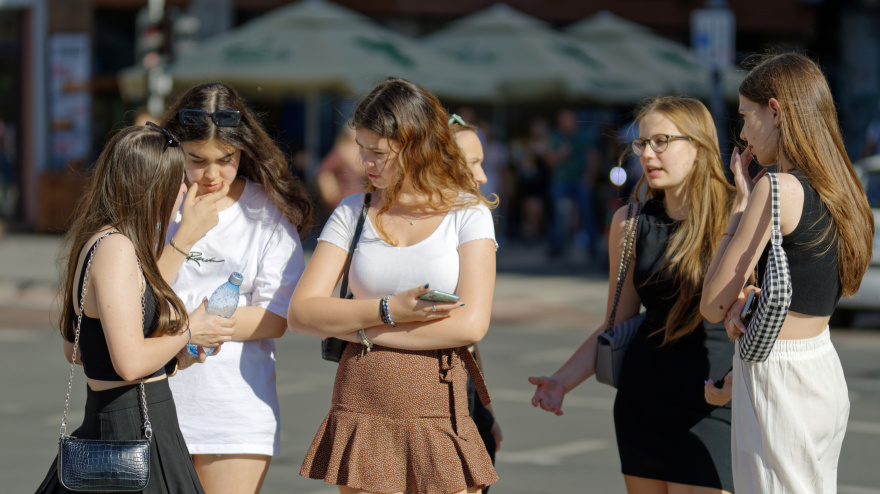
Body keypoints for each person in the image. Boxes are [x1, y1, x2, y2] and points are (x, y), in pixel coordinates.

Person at [289, 77, 499, 494]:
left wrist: (358, 329)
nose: (362, 162)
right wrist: (389, 310)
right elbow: (302, 313)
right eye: (361, 147)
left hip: (438, 402)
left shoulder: (467, 213)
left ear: (417, 144)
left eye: (377, 152)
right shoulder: (354, 210)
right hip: (361, 401)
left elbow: (470, 325)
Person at [529, 96, 736, 494]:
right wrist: (561, 381)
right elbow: (616, 324)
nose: (647, 153)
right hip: (643, 402)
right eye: (641, 144)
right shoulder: (629, 222)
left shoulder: (736, 217)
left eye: (662, 141)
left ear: (698, 146)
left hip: (714, 400)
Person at [700, 53, 874, 494]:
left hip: (778, 376)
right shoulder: (845, 188)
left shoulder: (775, 188)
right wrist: (750, 300)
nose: (741, 133)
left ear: (775, 110)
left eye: (745, 116)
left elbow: (712, 302)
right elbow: (807, 285)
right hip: (820, 366)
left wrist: (739, 207)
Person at [36, 123, 236, 493]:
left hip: (115, 422)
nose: (184, 189)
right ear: (152, 186)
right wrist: (189, 330)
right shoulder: (117, 249)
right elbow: (128, 362)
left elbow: (79, 349)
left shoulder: (100, 240)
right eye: (178, 180)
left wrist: (173, 357)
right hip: (133, 429)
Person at [157, 82, 314, 494]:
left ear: (244, 149)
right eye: (196, 159)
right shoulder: (152, 204)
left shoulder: (266, 212)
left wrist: (195, 326)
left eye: (225, 159)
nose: (211, 174)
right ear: (175, 149)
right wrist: (184, 237)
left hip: (233, 410)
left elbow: (276, 316)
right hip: (151, 400)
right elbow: (132, 298)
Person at [451, 116, 503, 490]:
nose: (482, 176)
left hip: (462, 387)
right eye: (471, 162)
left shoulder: (472, 218)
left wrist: (485, 411)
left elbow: (470, 334)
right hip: (422, 394)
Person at [546, 108, 601, 258]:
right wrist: (560, 154)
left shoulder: (584, 136)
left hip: (580, 180)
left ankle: (592, 247)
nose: (565, 122)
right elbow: (549, 160)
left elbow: (593, 157)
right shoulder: (556, 136)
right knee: (558, 215)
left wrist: (590, 177)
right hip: (562, 180)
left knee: (586, 213)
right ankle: (556, 247)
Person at [316, 125, 366, 212]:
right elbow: (323, 173)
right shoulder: (341, 151)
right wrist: (332, 198)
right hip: (344, 204)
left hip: (362, 204)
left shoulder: (367, 153)